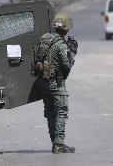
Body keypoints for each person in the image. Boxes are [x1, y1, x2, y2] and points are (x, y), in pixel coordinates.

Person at [37, 11, 77, 154]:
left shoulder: (44, 39)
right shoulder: (61, 44)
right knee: (61, 111)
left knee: (50, 112)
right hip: (55, 83)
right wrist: (72, 53)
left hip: (43, 81)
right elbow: (67, 65)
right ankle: (59, 145)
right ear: (65, 29)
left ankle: (54, 142)